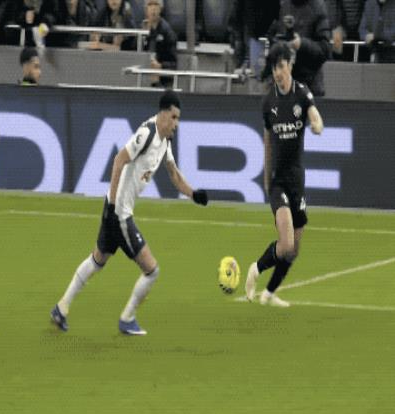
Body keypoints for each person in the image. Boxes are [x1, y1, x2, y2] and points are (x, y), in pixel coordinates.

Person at [51, 90, 208, 335]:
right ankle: (127, 318)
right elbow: (119, 160)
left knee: (97, 260)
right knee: (152, 270)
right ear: (163, 114)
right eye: (174, 117)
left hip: (114, 209)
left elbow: (174, 174)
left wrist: (193, 194)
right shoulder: (147, 133)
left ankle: (61, 308)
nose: (177, 124)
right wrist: (114, 204)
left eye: (178, 119)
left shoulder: (165, 142)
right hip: (120, 214)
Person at [245, 43, 323, 307]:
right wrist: (267, 180)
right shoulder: (268, 102)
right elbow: (268, 142)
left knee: (294, 250)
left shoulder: (302, 93)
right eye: (274, 68)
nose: (278, 73)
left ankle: (269, 293)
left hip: (296, 181)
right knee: (286, 243)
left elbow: (314, 115)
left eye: (281, 66)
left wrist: (317, 125)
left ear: (290, 65)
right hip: (278, 181)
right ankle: (256, 268)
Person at [265, 0, 331, 96]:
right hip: (284, 87)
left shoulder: (318, 7)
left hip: (310, 87)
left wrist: (301, 44)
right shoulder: (284, 6)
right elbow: (272, 37)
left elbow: (325, 50)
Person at [142, 0, 177, 87]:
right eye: (150, 4)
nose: (153, 8)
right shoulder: (141, 30)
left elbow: (174, 65)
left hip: (162, 80)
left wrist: (160, 65)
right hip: (142, 74)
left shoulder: (168, 32)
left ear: (161, 8)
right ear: (145, 9)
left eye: (156, 4)